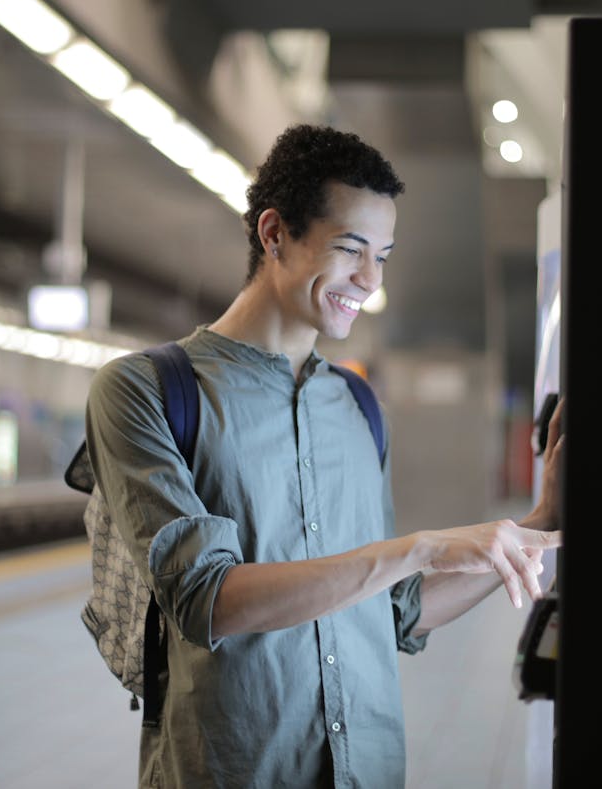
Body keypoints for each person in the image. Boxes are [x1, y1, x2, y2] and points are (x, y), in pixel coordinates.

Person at [84, 124, 564, 788]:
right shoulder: (148, 390)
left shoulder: (359, 407)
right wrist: (419, 546)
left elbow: (396, 612)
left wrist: (538, 521)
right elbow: (207, 597)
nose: (369, 278)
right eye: (350, 249)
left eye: (385, 255)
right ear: (274, 232)